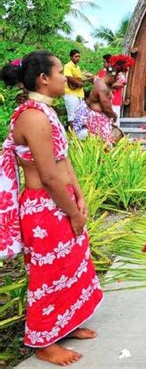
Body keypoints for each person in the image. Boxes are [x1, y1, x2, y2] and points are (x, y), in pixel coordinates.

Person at [0, 51, 103, 365]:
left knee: (70, 265)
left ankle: (66, 323)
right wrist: (73, 212)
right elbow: (47, 175)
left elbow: (63, 160)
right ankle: (44, 342)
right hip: (44, 209)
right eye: (60, 71)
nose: (66, 76)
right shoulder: (32, 117)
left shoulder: (46, 111)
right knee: (49, 273)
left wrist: (80, 197)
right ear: (44, 79)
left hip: (61, 201)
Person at [73, 66, 118, 146]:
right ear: (112, 76)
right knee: (103, 146)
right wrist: (114, 115)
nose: (116, 82)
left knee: (102, 145)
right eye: (116, 79)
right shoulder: (102, 86)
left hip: (98, 118)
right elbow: (106, 108)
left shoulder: (102, 83)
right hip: (97, 120)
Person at [95, 54, 125, 126]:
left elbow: (122, 84)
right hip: (104, 101)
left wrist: (108, 84)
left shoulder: (118, 72)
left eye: (104, 62)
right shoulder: (102, 72)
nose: (103, 64)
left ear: (109, 63)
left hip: (115, 101)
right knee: (104, 122)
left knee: (115, 122)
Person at [63, 50, 90, 129]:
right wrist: (78, 83)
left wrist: (87, 79)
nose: (78, 58)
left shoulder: (78, 67)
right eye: (76, 56)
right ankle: (72, 136)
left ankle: (78, 134)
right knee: (72, 115)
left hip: (79, 94)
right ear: (71, 57)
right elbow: (68, 77)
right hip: (70, 93)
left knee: (79, 114)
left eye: (79, 56)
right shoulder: (68, 66)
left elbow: (79, 79)